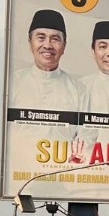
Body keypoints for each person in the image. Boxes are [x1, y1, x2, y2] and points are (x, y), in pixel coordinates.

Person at [9, 9, 91, 162]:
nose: (47, 45)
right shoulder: (13, 83)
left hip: (61, 175)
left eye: (55, 39)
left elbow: (87, 134)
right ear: (30, 42)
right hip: (18, 172)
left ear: (64, 46)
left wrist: (71, 165)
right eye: (41, 37)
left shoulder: (79, 89)